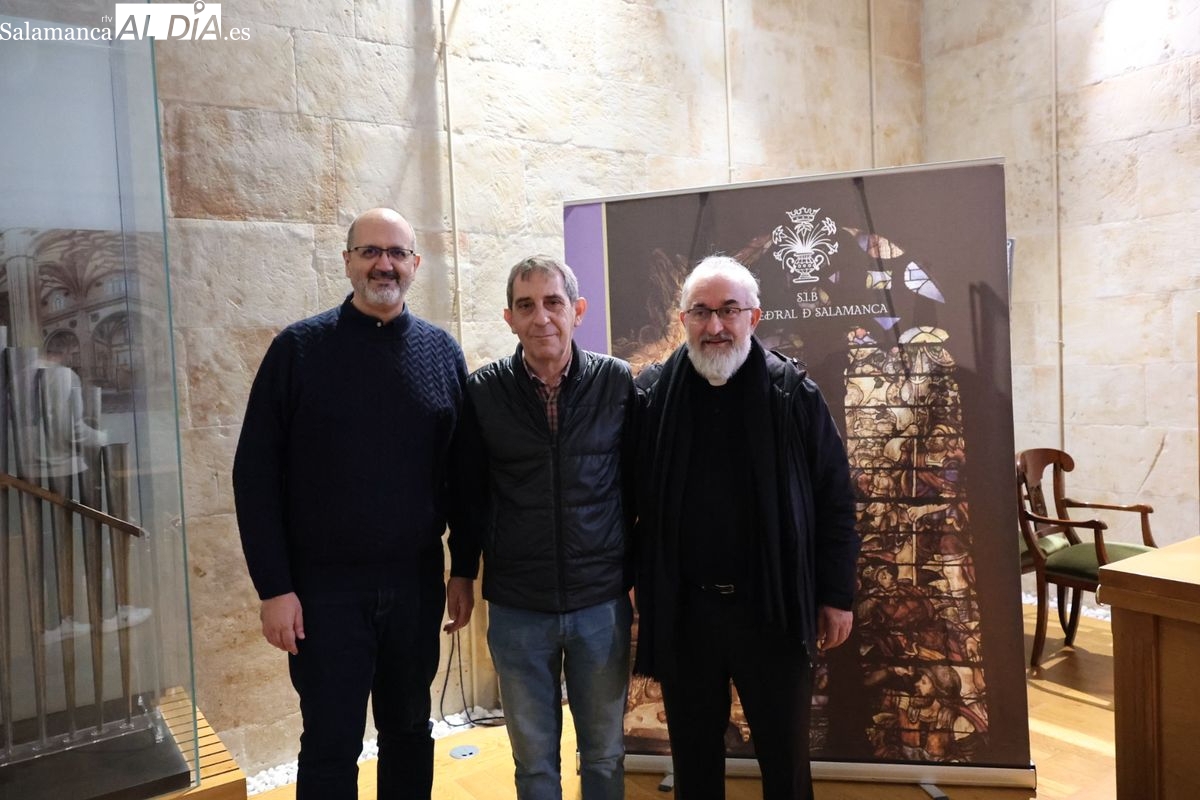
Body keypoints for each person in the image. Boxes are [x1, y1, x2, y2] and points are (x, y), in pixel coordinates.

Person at [232, 208, 475, 800]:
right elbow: (254, 477)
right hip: (322, 591)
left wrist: (463, 568)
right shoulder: (298, 350)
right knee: (330, 744)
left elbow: (465, 476)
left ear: (415, 264)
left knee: (410, 731)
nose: (383, 263)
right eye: (369, 251)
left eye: (396, 252)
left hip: (414, 583)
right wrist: (274, 588)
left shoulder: (442, 354)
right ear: (346, 262)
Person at [633, 255, 860, 800]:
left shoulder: (793, 395)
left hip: (773, 611)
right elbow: (628, 497)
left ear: (753, 317)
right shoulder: (652, 396)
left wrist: (835, 595)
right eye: (702, 312)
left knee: (785, 762)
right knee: (694, 762)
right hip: (687, 613)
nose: (716, 326)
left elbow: (835, 500)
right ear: (683, 319)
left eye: (729, 311)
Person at [456, 255, 636, 800]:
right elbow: (467, 494)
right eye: (526, 305)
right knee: (534, 764)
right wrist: (462, 573)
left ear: (577, 310)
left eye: (553, 302)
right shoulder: (483, 392)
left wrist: (642, 576)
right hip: (517, 607)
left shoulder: (617, 382)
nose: (542, 318)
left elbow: (639, 491)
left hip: (600, 604)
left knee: (604, 756)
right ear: (508, 318)